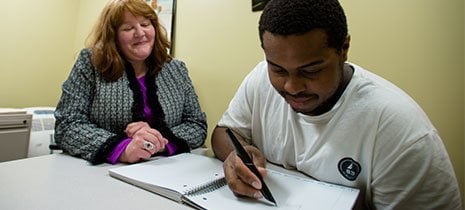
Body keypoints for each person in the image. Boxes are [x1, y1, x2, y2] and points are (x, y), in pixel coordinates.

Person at [211, 0, 463, 209]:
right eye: (277, 69)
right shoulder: (259, 79)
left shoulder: (399, 130)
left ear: (344, 48)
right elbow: (224, 133)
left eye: (310, 70)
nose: (291, 86)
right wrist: (237, 153)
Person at [54, 0, 207, 165]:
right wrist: (123, 148)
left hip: (167, 169)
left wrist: (155, 141)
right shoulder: (91, 64)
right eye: (128, 28)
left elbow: (197, 124)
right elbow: (67, 124)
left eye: (145, 24)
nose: (140, 33)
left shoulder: (176, 69)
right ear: (113, 36)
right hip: (107, 171)